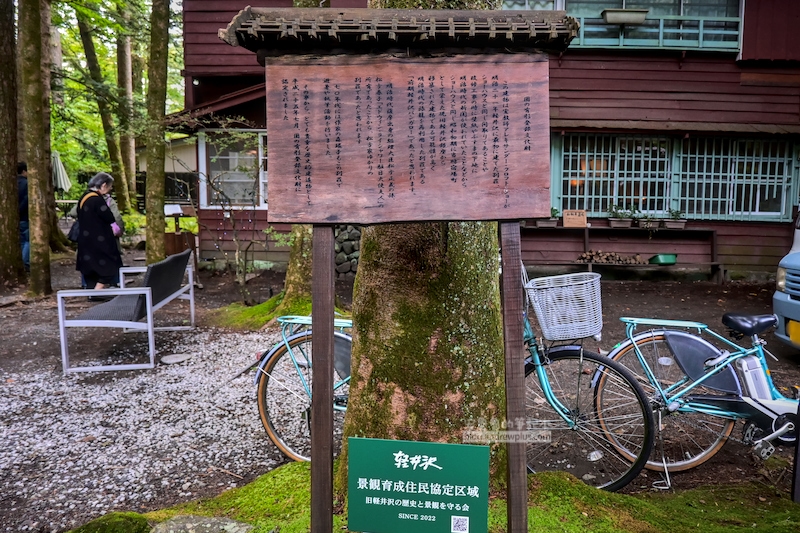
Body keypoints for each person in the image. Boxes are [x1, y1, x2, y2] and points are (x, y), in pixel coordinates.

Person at [76, 172, 123, 292]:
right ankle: (97, 290)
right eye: (110, 186)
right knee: (109, 265)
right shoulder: (97, 200)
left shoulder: (84, 197)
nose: (110, 189)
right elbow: (109, 217)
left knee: (90, 267)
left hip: (85, 240)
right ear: (103, 185)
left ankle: (92, 291)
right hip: (100, 240)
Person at [17, 162, 29, 272]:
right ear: (24, 171)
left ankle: (21, 261)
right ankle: (25, 262)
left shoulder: (11, 183)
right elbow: (26, 201)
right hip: (25, 217)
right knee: (27, 240)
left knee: (21, 240)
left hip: (16, 218)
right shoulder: (26, 184)